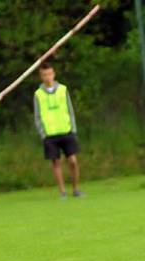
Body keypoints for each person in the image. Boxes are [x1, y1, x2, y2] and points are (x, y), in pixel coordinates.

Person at [34, 62, 83, 198]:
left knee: (73, 161)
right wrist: (43, 134)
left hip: (66, 131)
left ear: (54, 74)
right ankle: (62, 191)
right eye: (44, 75)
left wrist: (73, 128)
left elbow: (70, 109)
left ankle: (76, 189)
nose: (48, 77)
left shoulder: (63, 90)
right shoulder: (38, 94)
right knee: (56, 162)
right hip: (50, 134)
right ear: (41, 77)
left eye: (49, 74)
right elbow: (37, 116)